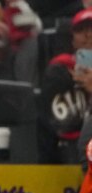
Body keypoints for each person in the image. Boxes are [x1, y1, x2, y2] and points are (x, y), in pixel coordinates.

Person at [42, 9, 92, 163]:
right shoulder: (59, 70)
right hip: (72, 144)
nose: (88, 35)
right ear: (72, 40)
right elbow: (59, 124)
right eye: (81, 30)